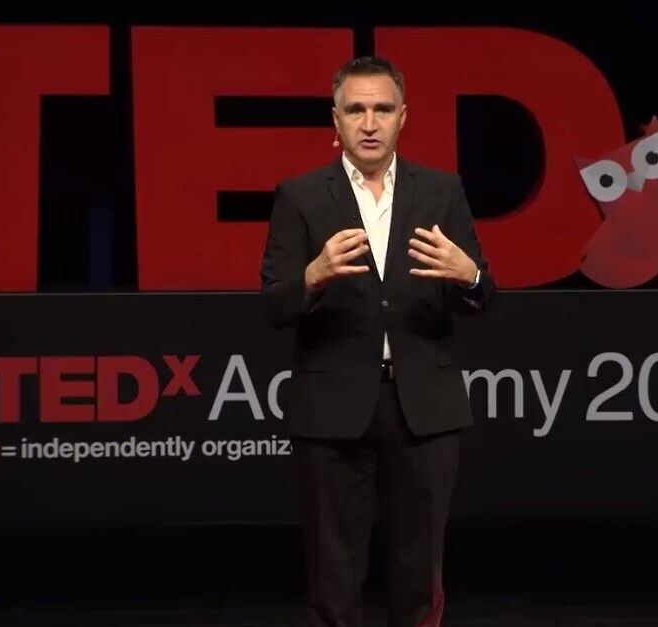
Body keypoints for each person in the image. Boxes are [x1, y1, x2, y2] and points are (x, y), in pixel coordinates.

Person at [259, 55, 495, 627]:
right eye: (356, 110)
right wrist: (313, 275)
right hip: (333, 409)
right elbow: (274, 306)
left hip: (424, 409)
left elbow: (483, 297)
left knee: (419, 577)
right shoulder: (300, 196)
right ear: (335, 119)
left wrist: (471, 276)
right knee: (334, 578)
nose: (370, 123)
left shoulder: (442, 191)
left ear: (403, 117)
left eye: (383, 109)